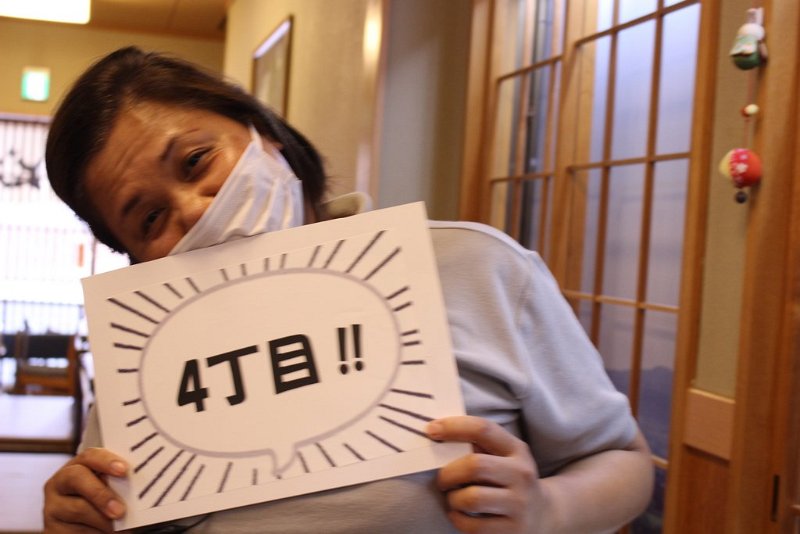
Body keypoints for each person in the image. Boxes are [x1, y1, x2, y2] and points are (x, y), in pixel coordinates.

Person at [43, 46, 653, 533]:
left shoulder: (475, 267)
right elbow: (113, 507)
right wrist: (77, 515)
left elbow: (623, 461)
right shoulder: (144, 362)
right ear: (137, 257)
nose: (193, 209)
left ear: (265, 133)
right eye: (149, 218)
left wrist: (549, 509)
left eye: (196, 161)